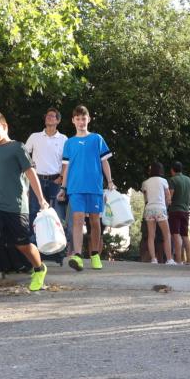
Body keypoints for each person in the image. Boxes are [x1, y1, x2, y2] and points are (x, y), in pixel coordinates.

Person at [0, 112, 50, 301]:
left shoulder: (18, 148)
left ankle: (39, 269)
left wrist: (41, 200)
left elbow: (31, 173)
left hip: (16, 207)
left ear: (4, 126)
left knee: (22, 245)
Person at [57, 105, 116, 271]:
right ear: (73, 121)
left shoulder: (97, 139)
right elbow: (66, 168)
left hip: (95, 187)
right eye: (78, 119)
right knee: (77, 218)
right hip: (75, 188)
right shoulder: (69, 143)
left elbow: (105, 161)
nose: (81, 122)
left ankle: (95, 254)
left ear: (88, 119)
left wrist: (109, 181)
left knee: (95, 221)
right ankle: (77, 255)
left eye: (84, 118)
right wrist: (63, 187)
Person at [25, 108, 68, 225]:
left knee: (57, 214)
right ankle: (34, 241)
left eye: (52, 116)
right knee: (34, 211)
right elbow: (24, 154)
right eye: (47, 115)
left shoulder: (64, 139)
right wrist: (29, 170)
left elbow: (66, 162)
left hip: (56, 181)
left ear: (58, 121)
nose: (48, 117)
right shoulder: (35, 136)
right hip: (36, 179)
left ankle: (58, 242)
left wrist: (61, 178)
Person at [142, 162, 177, 265]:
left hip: (149, 209)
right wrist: (167, 205)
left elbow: (145, 198)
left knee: (151, 235)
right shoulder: (164, 181)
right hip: (160, 208)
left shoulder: (145, 183)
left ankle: (153, 259)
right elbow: (168, 197)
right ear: (160, 170)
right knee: (166, 235)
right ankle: (169, 259)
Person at [168, 161, 190, 265]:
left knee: (176, 234)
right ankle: (189, 260)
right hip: (185, 210)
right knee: (185, 235)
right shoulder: (188, 180)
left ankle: (178, 260)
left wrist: (168, 203)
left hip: (175, 210)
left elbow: (170, 196)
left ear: (172, 170)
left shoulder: (173, 180)